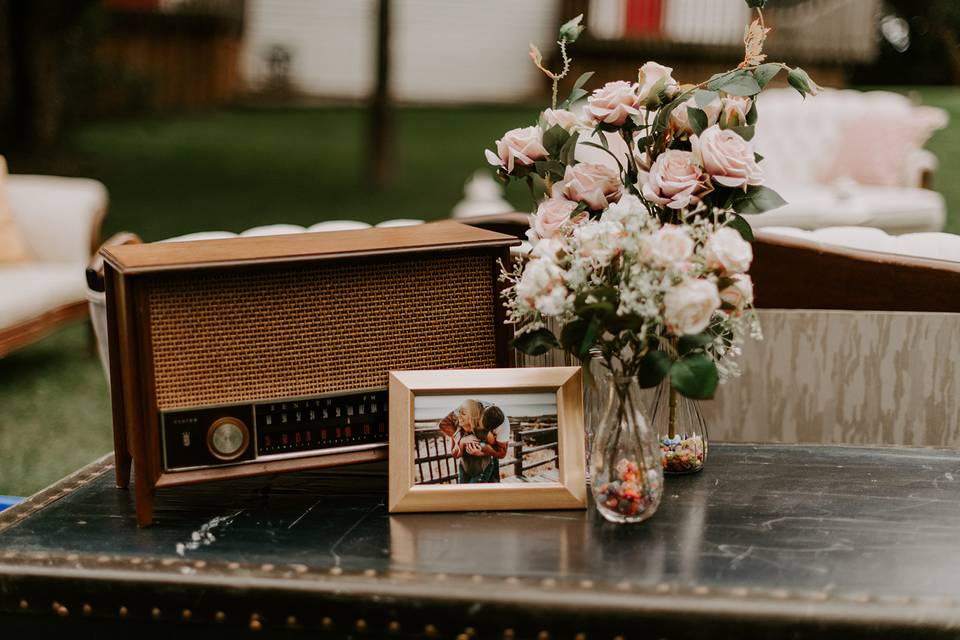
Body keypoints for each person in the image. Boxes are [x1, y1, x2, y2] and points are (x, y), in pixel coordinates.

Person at [438, 400, 510, 483]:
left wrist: (482, 449)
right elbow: (455, 453)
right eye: (478, 424)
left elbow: (500, 452)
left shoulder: (500, 427)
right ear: (476, 415)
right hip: (465, 467)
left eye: (482, 428)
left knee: (491, 484)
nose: (477, 428)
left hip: (482, 467)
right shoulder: (467, 410)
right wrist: (462, 441)